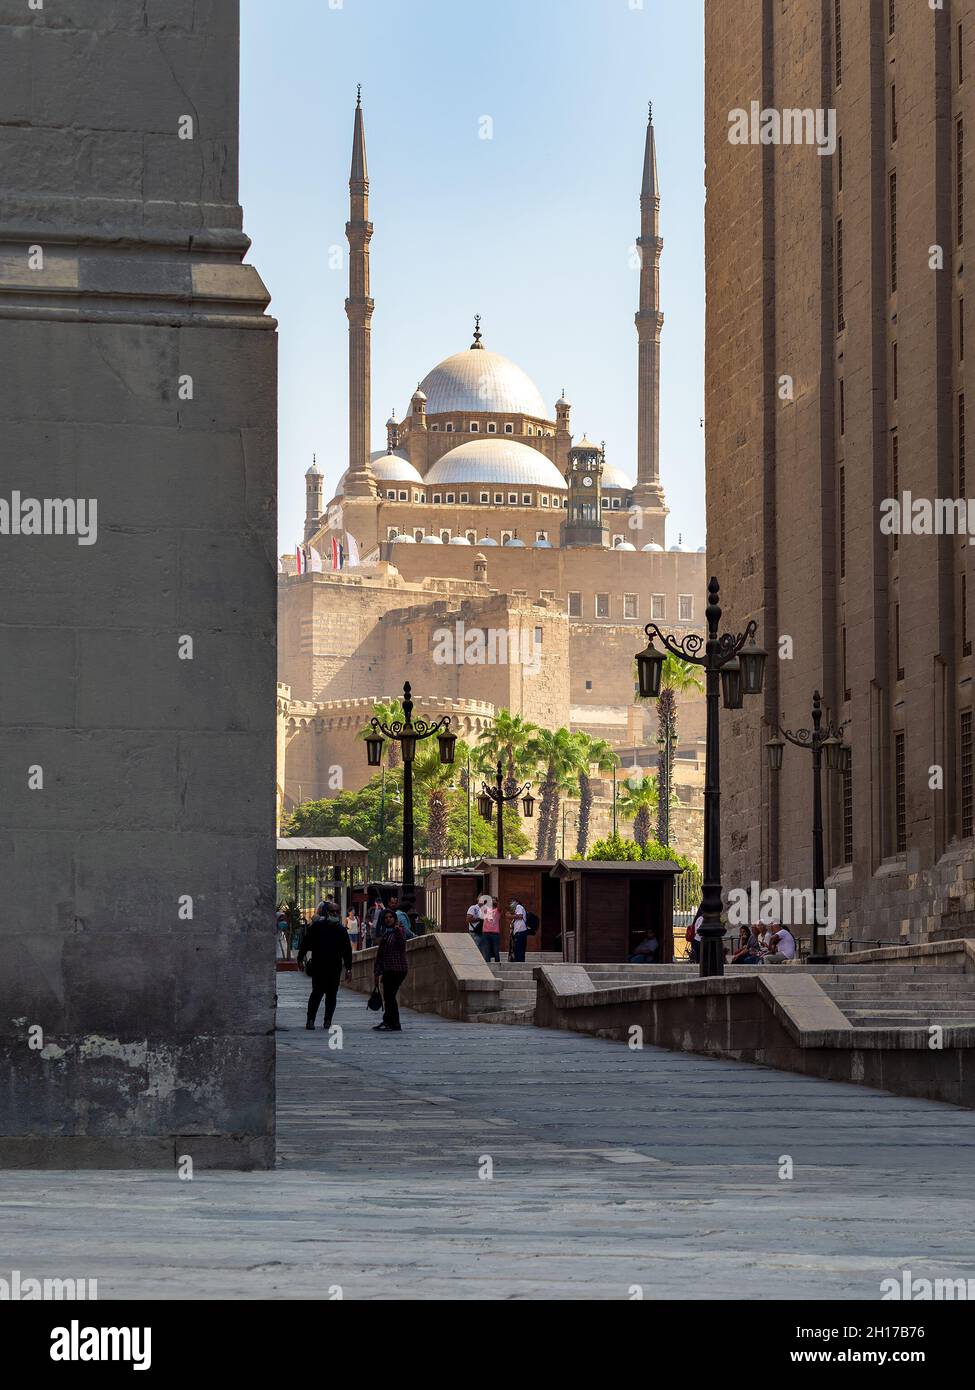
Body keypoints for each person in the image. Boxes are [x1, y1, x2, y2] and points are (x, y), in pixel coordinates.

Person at [298, 908, 353, 1030]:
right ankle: (310, 1020)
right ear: (327, 913)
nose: (334, 914)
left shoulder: (341, 930)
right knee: (317, 993)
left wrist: (349, 968)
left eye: (336, 912)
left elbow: (347, 950)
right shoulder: (317, 927)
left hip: (334, 967)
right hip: (319, 966)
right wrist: (300, 959)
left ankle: (328, 1020)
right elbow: (305, 943)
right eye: (332, 912)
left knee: (331, 995)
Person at [373, 907, 409, 1032]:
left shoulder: (399, 931)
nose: (388, 919)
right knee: (389, 996)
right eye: (386, 918)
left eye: (390, 917)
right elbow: (380, 955)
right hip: (389, 969)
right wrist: (376, 973)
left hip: (398, 969)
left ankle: (393, 1023)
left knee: (390, 996)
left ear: (395, 918)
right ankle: (389, 1021)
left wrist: (398, 930)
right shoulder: (386, 935)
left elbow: (401, 943)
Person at [480, 897, 502, 963]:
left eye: (494, 900)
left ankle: (497, 964)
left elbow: (500, 907)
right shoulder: (486, 910)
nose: (492, 901)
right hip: (486, 932)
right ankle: (488, 964)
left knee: (496, 950)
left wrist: (497, 901)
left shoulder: (497, 910)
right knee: (487, 950)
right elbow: (481, 905)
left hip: (495, 933)